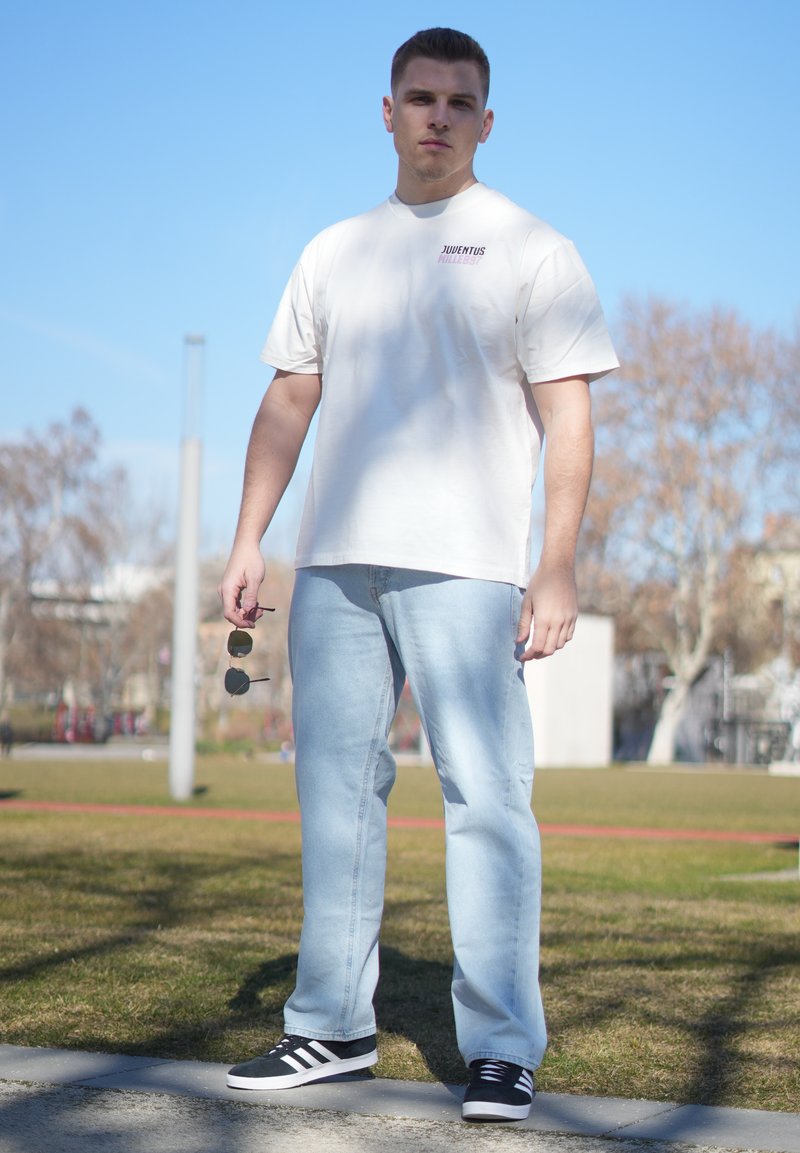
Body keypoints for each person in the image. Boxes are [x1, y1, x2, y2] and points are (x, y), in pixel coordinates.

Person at [219, 27, 618, 1123]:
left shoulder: (532, 248)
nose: (436, 115)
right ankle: (329, 1028)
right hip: (336, 564)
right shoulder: (333, 251)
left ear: (486, 122)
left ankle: (499, 1047)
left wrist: (556, 564)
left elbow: (566, 413)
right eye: (418, 97)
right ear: (384, 112)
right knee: (335, 797)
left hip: (470, 568)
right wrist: (251, 536)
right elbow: (288, 402)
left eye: (458, 101)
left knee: (486, 798)